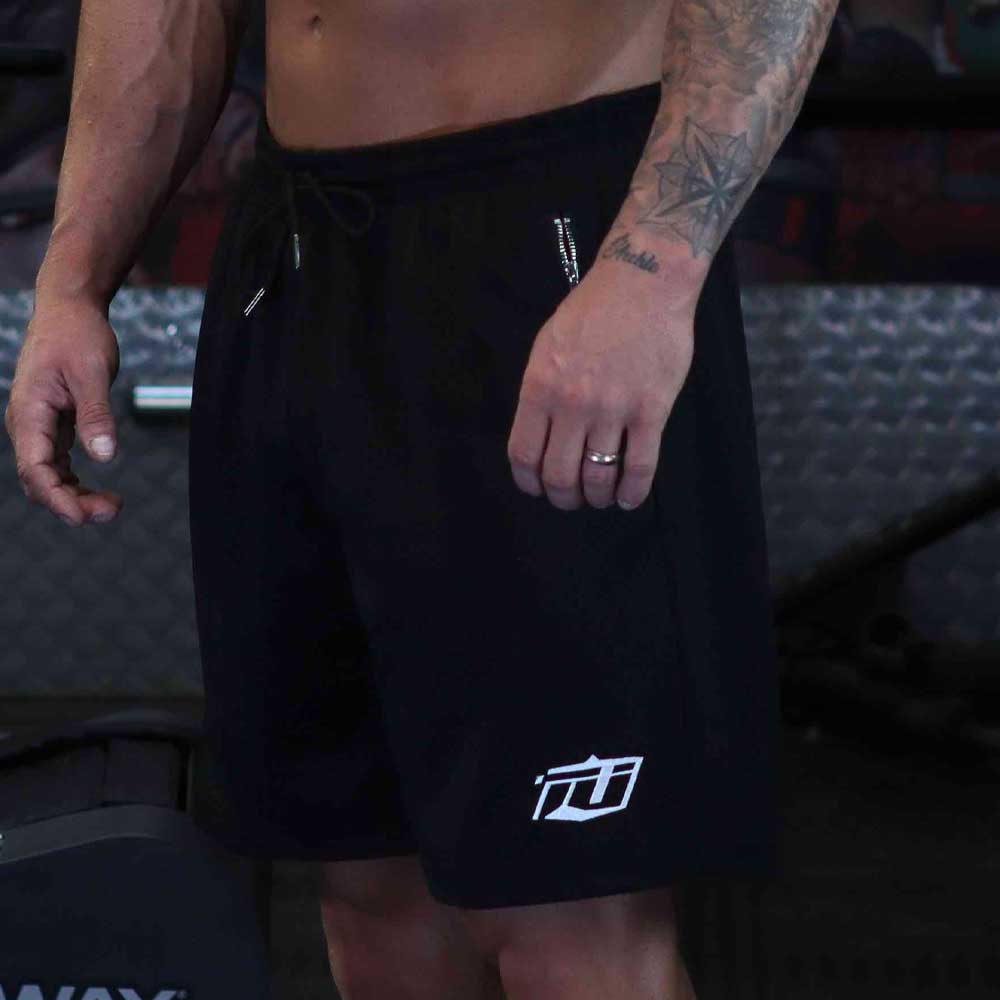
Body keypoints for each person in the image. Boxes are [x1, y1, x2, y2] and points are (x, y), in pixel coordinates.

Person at [4, 0, 839, 997]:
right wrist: (73, 279)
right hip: (298, 245)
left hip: (553, 231)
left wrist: (653, 270)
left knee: (565, 915)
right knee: (371, 892)